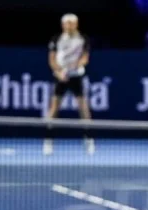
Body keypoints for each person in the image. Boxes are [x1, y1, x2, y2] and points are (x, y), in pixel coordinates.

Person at [45, 13, 94, 155]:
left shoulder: (83, 39)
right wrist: (59, 72)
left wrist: (77, 66)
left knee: (83, 108)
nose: (70, 25)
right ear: (63, 25)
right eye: (67, 23)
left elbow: (85, 58)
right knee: (54, 108)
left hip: (76, 76)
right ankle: (49, 140)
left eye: (72, 23)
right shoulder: (56, 39)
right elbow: (52, 60)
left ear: (76, 24)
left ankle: (88, 139)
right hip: (60, 77)